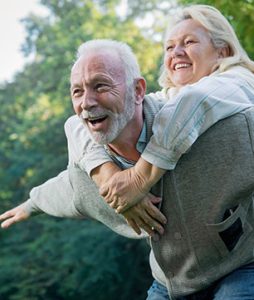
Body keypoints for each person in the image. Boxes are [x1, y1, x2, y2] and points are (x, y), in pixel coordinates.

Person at [1, 4, 254, 299]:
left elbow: (198, 100)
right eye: (170, 46)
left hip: (242, 264)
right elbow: (72, 173)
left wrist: (139, 178)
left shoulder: (238, 94)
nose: (177, 52)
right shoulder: (158, 105)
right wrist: (102, 177)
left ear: (222, 52)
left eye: (189, 42)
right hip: (173, 282)